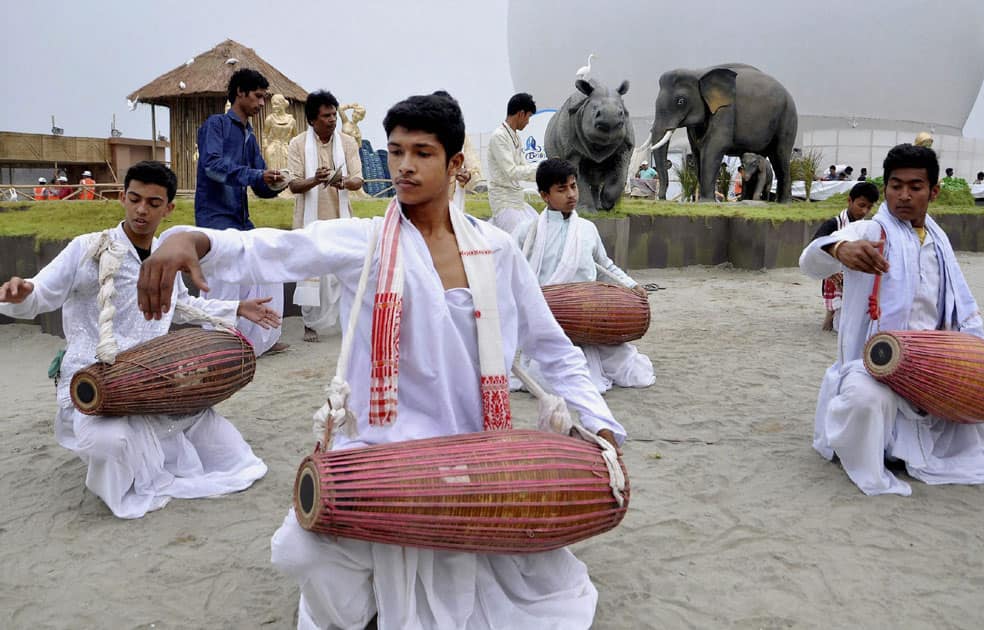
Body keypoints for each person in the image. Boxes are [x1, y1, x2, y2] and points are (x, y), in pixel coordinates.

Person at [136, 91, 625, 629]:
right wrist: (192, 237)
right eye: (395, 152)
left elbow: (552, 348)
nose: (405, 166)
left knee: (517, 586)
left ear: (455, 163)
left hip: (474, 456)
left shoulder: (496, 250)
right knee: (301, 551)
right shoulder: (366, 242)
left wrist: (599, 426)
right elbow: (276, 249)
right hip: (379, 452)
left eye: (422, 152)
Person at [0, 161, 274, 518]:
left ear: (169, 208)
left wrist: (237, 307)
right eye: (134, 199)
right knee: (113, 443)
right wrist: (23, 293)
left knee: (235, 457)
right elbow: (44, 290)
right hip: (95, 382)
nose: (142, 210)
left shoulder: (165, 255)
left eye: (153, 202)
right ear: (123, 199)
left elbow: (181, 306)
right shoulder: (89, 248)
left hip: (153, 381)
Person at [799, 143, 984, 496]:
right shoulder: (870, 232)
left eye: (915, 187)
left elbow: (961, 302)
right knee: (864, 401)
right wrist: (838, 249)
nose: (903, 195)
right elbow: (810, 260)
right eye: (895, 186)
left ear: (933, 191)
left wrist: (977, 347)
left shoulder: (939, 239)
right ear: (886, 187)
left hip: (934, 364)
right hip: (873, 363)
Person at [514, 158, 654, 394]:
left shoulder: (588, 229)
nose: (571, 194)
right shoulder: (527, 232)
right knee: (549, 379)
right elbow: (510, 270)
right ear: (544, 195)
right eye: (562, 189)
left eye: (573, 186)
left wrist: (631, 285)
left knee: (635, 372)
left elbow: (604, 265)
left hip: (587, 316)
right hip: (548, 321)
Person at [194, 68, 288, 356]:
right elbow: (212, 166)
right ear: (240, 93)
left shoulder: (249, 135)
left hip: (241, 221)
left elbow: (259, 183)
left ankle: (258, 340)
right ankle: (217, 347)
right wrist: (255, 176)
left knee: (267, 267)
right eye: (258, 97)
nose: (262, 104)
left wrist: (277, 183)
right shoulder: (216, 125)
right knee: (222, 286)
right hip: (215, 221)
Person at [287, 90, 364, 343]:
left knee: (343, 272)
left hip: (340, 219)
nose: (332, 120)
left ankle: (346, 321)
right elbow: (294, 185)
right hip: (309, 221)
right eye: (326, 116)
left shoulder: (347, 142)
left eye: (334, 114)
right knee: (311, 271)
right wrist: (315, 180)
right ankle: (310, 324)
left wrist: (341, 181)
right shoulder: (298, 144)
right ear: (312, 120)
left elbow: (358, 179)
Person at [809, 181, 880, 332]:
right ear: (850, 201)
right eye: (861, 205)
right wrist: (831, 270)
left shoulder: (866, 226)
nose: (864, 211)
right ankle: (829, 317)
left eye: (869, 207)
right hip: (834, 274)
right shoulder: (834, 223)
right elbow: (816, 244)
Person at [486, 92, 540, 232]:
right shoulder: (499, 137)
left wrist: (546, 173)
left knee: (537, 229)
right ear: (521, 114)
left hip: (517, 202)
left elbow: (524, 169)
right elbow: (511, 171)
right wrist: (541, 169)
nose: (528, 122)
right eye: (528, 117)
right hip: (504, 203)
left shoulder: (515, 137)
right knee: (521, 238)